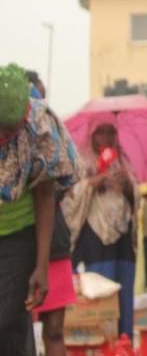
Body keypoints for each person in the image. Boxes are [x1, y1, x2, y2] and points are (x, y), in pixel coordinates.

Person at [0, 64, 78, 356]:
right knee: (14, 328)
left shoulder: (39, 128)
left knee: (6, 320)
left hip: (20, 236)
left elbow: (45, 195)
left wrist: (42, 266)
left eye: (11, 129)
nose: (6, 135)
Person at [62, 119, 137, 338]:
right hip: (94, 238)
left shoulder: (123, 162)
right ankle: (100, 345)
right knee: (99, 295)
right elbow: (70, 198)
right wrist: (94, 182)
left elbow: (135, 198)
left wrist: (127, 186)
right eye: (100, 133)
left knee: (123, 296)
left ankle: (123, 345)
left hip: (123, 241)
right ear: (91, 136)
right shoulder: (81, 161)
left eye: (110, 132)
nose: (105, 138)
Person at [25, 68, 77, 356]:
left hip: (54, 242)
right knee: (17, 333)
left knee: (54, 331)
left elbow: (69, 179)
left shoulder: (56, 135)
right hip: (16, 246)